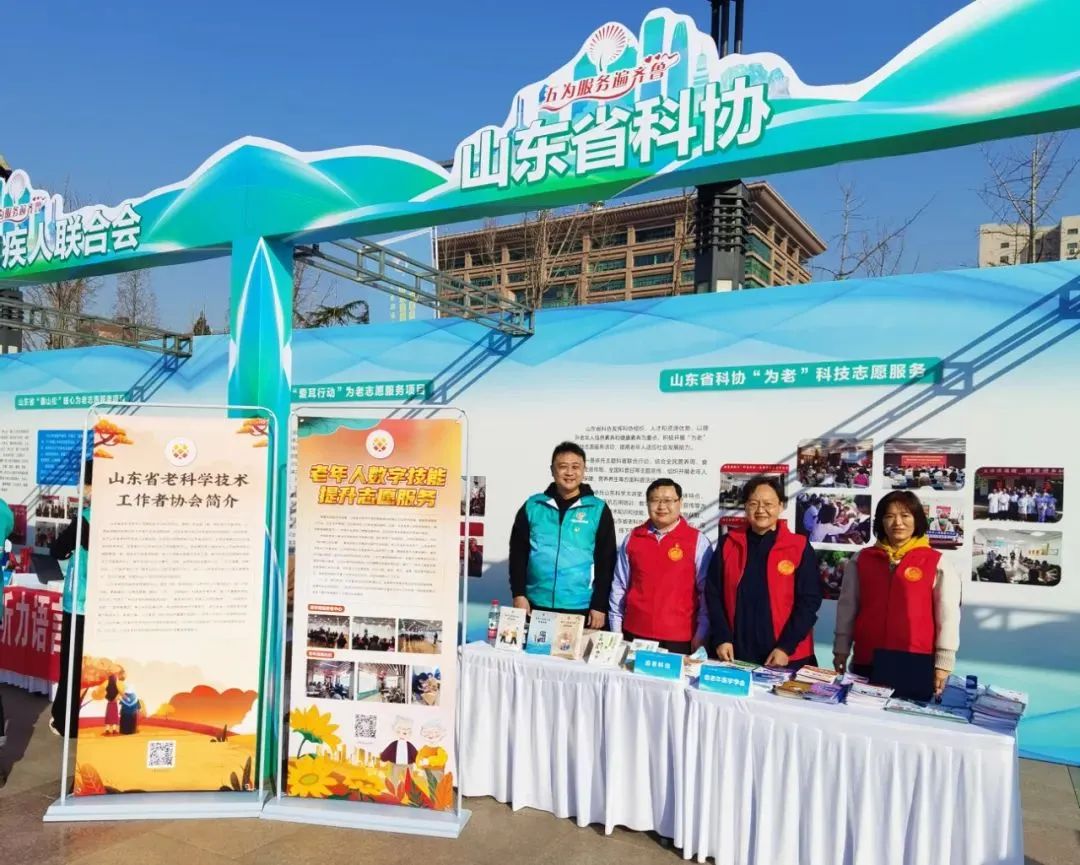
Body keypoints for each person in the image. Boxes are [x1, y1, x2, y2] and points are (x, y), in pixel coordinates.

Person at [833, 490, 961, 699]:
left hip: (915, 659)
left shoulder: (936, 562)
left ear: (917, 520)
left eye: (905, 516)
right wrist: (841, 648)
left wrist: (944, 661)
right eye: (890, 516)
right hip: (867, 657)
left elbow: (948, 615)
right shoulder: (862, 559)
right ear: (881, 521)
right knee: (860, 711)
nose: (898, 523)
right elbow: (847, 607)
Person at [705, 475, 822, 669]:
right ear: (745, 507)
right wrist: (722, 637)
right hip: (735, 651)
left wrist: (785, 647)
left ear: (781, 506)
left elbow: (809, 601)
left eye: (768, 504)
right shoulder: (728, 543)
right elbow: (713, 594)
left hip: (784, 654)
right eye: (753, 504)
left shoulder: (798, 546)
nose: (761, 510)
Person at [509, 442, 616, 628]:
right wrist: (518, 594)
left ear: (584, 470)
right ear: (552, 470)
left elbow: (606, 562)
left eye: (575, 467)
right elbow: (518, 555)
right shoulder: (533, 506)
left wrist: (599, 605)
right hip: (536, 603)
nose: (569, 473)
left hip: (579, 605)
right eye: (563, 466)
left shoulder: (597, 509)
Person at [608, 478, 712, 654]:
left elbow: (706, 592)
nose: (662, 506)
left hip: (679, 638)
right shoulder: (633, 538)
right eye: (655, 500)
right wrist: (616, 629)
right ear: (647, 503)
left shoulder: (697, 541)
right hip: (635, 632)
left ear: (680, 502)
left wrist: (702, 632)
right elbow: (619, 585)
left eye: (668, 500)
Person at [49, 459, 93, 738]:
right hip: (109, 605)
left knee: (73, 663)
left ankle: (67, 721)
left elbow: (57, 549)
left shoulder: (85, 518)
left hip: (79, 603)